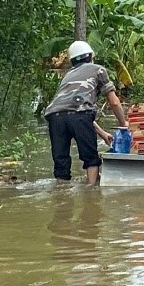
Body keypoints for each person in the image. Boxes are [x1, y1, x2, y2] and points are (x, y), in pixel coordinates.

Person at [44, 40, 125, 185]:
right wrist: (123, 124)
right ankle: (91, 193)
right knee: (90, 158)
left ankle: (61, 194)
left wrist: (101, 133)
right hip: (80, 116)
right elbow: (114, 102)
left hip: (54, 117)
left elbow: (72, 110)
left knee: (61, 161)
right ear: (90, 56)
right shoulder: (98, 70)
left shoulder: (68, 76)